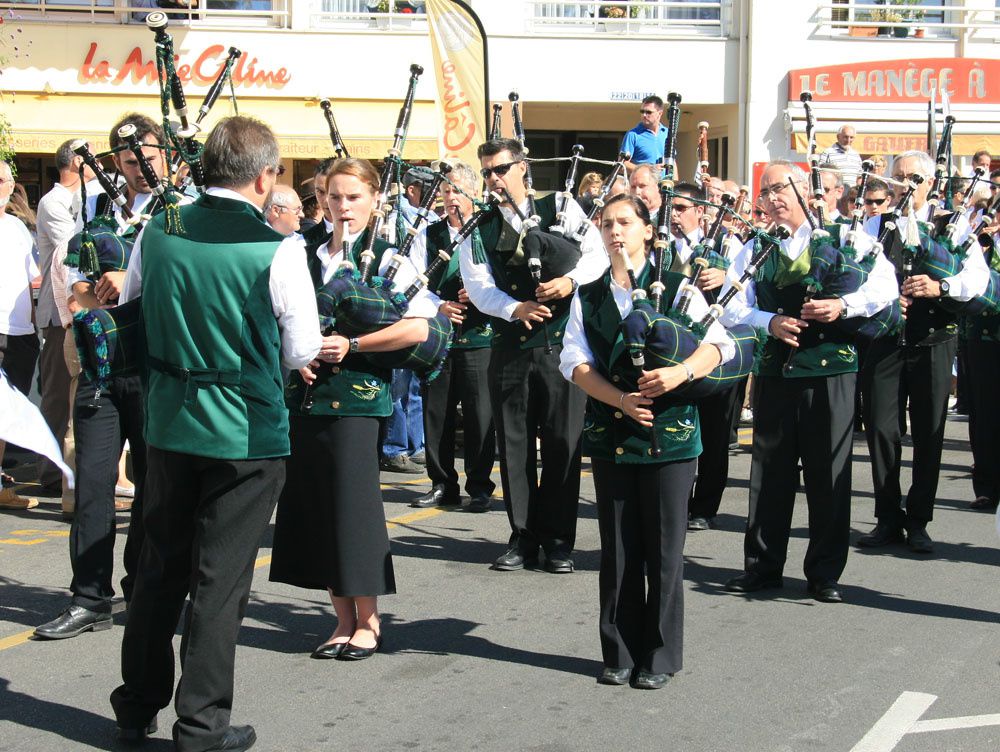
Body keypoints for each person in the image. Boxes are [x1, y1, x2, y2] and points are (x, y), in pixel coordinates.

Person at [109, 115, 321, 751]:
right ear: (264, 176)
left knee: (157, 568)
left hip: (170, 422)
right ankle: (201, 725)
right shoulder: (277, 247)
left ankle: (136, 704)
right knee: (219, 582)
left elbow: (138, 306)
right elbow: (301, 348)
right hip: (244, 433)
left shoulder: (161, 226)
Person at [560, 193, 733, 689]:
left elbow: (719, 345)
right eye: (608, 223)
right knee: (617, 549)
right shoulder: (587, 294)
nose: (616, 232)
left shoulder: (677, 288)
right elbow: (573, 362)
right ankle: (617, 650)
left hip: (672, 438)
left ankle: (657, 657)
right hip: (612, 432)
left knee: (663, 549)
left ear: (647, 231)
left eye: (626, 223)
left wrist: (680, 373)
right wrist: (619, 401)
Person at [270, 157, 428, 662]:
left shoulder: (389, 258)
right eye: (333, 197)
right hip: (305, 398)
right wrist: (294, 356)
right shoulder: (299, 251)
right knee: (317, 507)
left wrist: (354, 343)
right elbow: (277, 315)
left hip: (358, 401)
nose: (342, 207)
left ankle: (370, 619)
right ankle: (341, 619)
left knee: (353, 508)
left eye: (353, 197)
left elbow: (420, 328)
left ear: (375, 200)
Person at [722, 160, 897, 603]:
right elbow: (728, 305)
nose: (771, 200)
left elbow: (885, 289)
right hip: (775, 373)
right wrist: (770, 320)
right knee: (768, 473)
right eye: (764, 193)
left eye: (778, 189)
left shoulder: (848, 238)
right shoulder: (756, 246)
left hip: (831, 372)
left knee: (829, 472)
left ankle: (824, 572)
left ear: (805, 189)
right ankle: (762, 566)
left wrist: (843, 304)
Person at [34, 113, 162, 640]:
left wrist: (127, 277)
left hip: (156, 367)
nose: (141, 169)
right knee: (92, 483)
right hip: (103, 366)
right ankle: (89, 597)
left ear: (166, 155)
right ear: (115, 164)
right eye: (130, 161)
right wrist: (95, 293)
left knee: (155, 486)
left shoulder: (181, 210)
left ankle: (143, 587)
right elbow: (78, 288)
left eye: (149, 158)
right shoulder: (96, 213)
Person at [461, 137, 607, 574]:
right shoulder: (481, 226)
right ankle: (523, 535)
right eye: (487, 171)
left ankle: (559, 541)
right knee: (515, 443)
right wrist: (515, 308)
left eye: (500, 169)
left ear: (522, 167)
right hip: (511, 347)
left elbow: (597, 256)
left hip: (564, 346)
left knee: (564, 441)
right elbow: (478, 285)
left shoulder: (561, 206)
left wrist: (570, 283)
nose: (493, 179)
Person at [856, 150, 987, 554]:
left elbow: (977, 279)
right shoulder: (874, 225)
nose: (904, 185)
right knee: (881, 429)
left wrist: (940, 287)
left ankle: (919, 520)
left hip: (934, 339)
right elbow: (854, 277)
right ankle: (887, 516)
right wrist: (885, 297)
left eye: (913, 177)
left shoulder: (953, 224)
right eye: (898, 177)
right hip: (885, 342)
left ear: (929, 182)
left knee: (930, 432)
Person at [410, 161, 497, 511]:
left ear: (474, 193)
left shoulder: (489, 231)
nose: (451, 198)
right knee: (437, 413)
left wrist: (480, 294)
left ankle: (479, 486)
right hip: (440, 337)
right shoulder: (428, 234)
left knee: (480, 415)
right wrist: (440, 304)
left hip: (480, 337)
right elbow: (412, 283)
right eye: (446, 191)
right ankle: (442, 483)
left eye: (457, 190)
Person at [35, 140, 91, 497]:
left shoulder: (85, 196)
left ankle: (71, 469)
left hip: (80, 307)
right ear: (75, 162)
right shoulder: (53, 202)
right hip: (59, 313)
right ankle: (51, 471)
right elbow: (73, 244)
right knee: (57, 394)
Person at [380, 165, 434, 473]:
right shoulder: (394, 217)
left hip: (420, 306)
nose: (433, 197)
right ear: (413, 189)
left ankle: (418, 445)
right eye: (427, 191)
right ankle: (394, 447)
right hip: (397, 305)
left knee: (414, 386)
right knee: (397, 385)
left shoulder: (430, 219)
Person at [0, 160, 41, 510]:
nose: (1, 186)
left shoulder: (16, 227)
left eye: (4, 181)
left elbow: (32, 280)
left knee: (6, 411)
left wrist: (33, 327)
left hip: (17, 331)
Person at [622, 96, 668, 171]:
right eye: (642, 111)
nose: (644, 115)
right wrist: (648, 170)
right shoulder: (633, 134)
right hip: (641, 182)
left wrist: (674, 182)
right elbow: (622, 164)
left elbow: (673, 162)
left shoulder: (667, 133)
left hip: (664, 182)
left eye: (648, 112)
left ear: (660, 113)